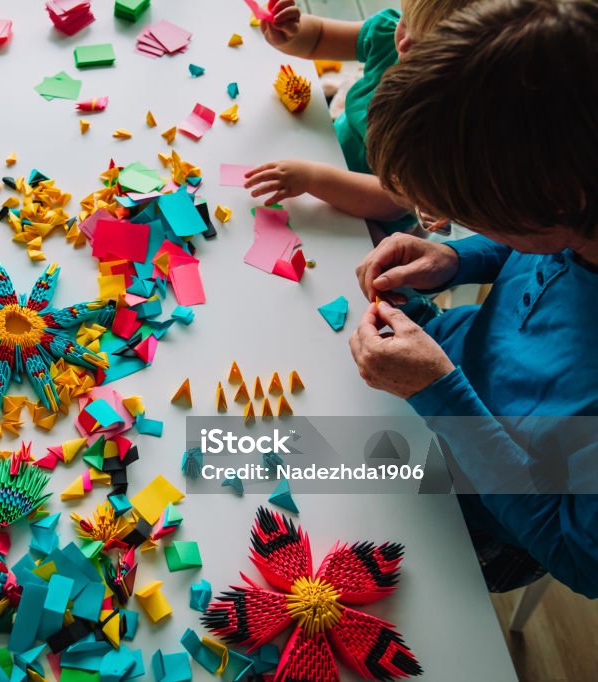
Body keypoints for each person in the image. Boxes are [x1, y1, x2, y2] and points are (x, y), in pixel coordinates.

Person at [348, 0, 598, 597]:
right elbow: (545, 245)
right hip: (430, 386)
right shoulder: (575, 155)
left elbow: (578, 557)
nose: (452, 224)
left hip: (478, 523)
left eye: (466, 214)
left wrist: (441, 394)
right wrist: (461, 256)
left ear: (552, 204)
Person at [244, 0, 477, 233]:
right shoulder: (389, 35)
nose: (404, 43)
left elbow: (392, 201)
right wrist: (292, 33)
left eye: (426, 46)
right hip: (328, 154)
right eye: (406, 22)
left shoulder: (444, 122)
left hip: (374, 217)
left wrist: (312, 178)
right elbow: (320, 37)